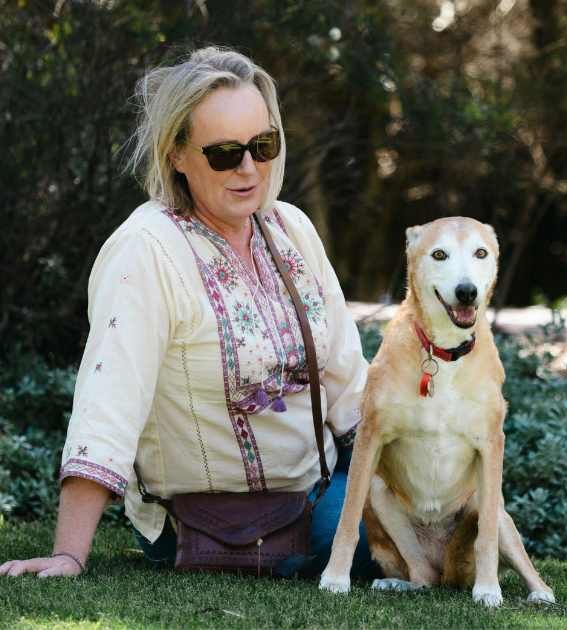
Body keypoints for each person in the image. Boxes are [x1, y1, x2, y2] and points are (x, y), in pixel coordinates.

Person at [0, 47, 377, 579]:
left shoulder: (291, 228)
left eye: (262, 146)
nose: (249, 168)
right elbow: (111, 396)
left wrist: (407, 474)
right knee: (380, 540)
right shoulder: (146, 249)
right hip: (213, 523)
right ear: (176, 154)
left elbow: (347, 377)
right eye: (224, 153)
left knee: (431, 517)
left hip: (319, 493)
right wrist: (68, 553)